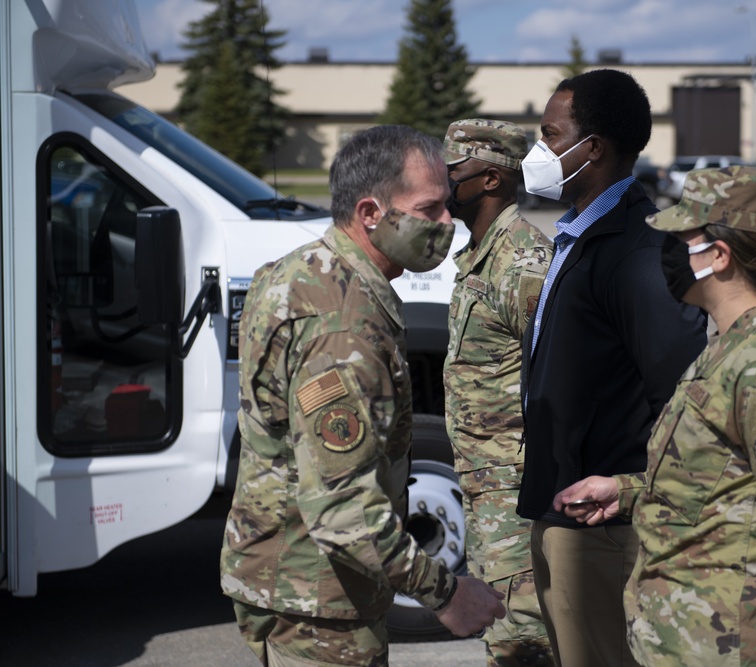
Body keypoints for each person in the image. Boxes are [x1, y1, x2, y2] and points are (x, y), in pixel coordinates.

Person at [555, 166, 756, 666]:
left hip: (743, 647)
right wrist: (627, 492)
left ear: (719, 256)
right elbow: (730, 485)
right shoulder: (735, 345)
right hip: (696, 641)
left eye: (680, 239)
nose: (665, 251)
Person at [220, 125, 506, 667]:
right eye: (430, 208)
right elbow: (341, 506)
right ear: (371, 212)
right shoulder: (344, 325)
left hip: (288, 575)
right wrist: (446, 593)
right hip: (320, 596)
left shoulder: (295, 271)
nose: (449, 223)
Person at [516, 69, 707, 667]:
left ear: (591, 148)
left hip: (603, 525)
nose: (538, 151)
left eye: (550, 135)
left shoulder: (639, 250)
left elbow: (678, 394)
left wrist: (629, 496)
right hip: (563, 508)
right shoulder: (581, 234)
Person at [441, 118, 555, 666]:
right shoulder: (480, 254)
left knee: (521, 641)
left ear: (490, 179)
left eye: (451, 171)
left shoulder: (523, 263)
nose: (441, 183)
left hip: (515, 490)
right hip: (486, 484)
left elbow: (558, 380)